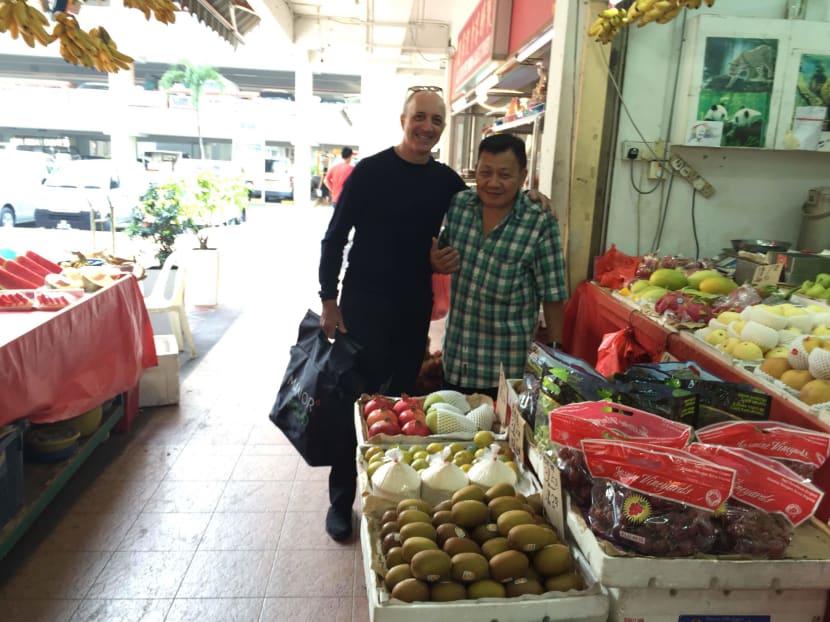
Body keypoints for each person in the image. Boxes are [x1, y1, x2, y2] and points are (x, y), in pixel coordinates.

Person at [317, 86, 467, 541]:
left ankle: (391, 494)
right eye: (419, 117)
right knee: (357, 402)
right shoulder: (369, 172)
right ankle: (342, 499)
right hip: (362, 305)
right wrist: (329, 298)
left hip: (412, 307)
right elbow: (335, 236)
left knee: (402, 406)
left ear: (443, 129)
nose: (427, 127)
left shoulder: (445, 181)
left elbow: (485, 208)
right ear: (403, 119)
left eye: (436, 121)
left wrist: (531, 198)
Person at [430, 133, 567, 399]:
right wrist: (436, 262)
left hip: (505, 372)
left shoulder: (539, 221)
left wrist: (554, 356)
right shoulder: (459, 207)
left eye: (505, 175)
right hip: (456, 362)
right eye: (485, 172)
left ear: (523, 176)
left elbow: (553, 295)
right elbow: (442, 253)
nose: (493, 183)